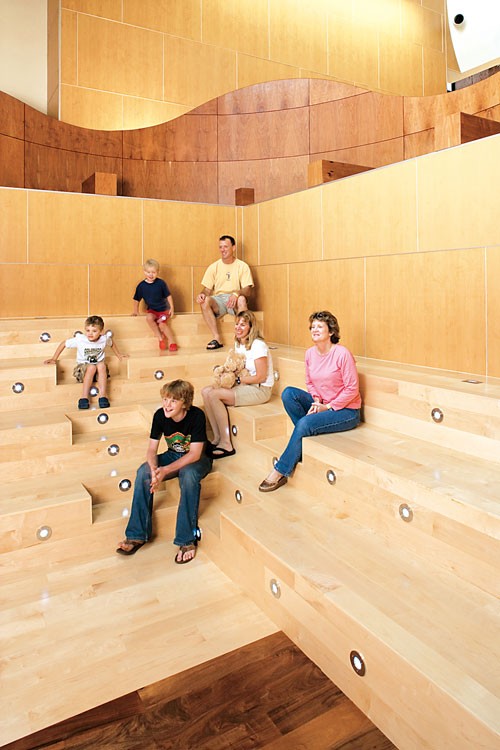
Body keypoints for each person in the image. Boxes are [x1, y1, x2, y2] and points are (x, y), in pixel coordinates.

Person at [258, 311, 361, 492]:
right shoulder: (309, 354)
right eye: (312, 326)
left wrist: (327, 407)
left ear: (331, 331)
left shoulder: (342, 354)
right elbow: (310, 382)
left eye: (319, 326)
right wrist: (316, 400)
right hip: (322, 403)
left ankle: (280, 470)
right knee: (288, 394)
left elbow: (352, 389)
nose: (314, 329)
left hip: (346, 410)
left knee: (305, 423)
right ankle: (302, 441)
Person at [116, 379, 212, 564]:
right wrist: (154, 470)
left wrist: (165, 470)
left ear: (185, 403)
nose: (167, 405)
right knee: (143, 472)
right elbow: (152, 450)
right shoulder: (160, 415)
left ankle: (186, 539)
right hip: (172, 455)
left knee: (188, 475)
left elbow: (194, 454)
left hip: (198, 460)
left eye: (173, 401)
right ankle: (137, 535)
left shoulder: (196, 416)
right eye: (165, 399)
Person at [202, 311, 274, 458]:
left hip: (260, 389)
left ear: (251, 327)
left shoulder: (258, 345)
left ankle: (226, 444)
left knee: (214, 395)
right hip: (245, 384)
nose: (238, 328)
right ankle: (217, 438)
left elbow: (260, 377)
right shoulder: (238, 343)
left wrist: (238, 381)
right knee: (205, 391)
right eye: (237, 324)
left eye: (243, 325)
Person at [43, 315, 128, 409]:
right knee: (91, 367)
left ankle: (103, 395)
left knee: (101, 365)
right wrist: (54, 358)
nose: (90, 333)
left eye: (94, 331)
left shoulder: (104, 339)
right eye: (88, 330)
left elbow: (111, 343)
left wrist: (119, 355)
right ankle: (84, 397)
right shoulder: (80, 339)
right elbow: (64, 343)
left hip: (98, 373)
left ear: (101, 331)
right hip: (83, 370)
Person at [196, 235, 253, 350]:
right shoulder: (214, 267)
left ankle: (242, 339)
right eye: (220, 247)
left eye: (226, 247)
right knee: (205, 301)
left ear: (233, 248)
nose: (222, 250)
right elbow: (206, 290)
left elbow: (248, 290)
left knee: (242, 299)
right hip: (219, 301)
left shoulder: (242, 266)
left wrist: (236, 293)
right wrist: (202, 295)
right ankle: (217, 338)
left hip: (235, 299)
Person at [133, 259, 178, 351]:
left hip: (164, 310)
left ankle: (172, 341)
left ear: (158, 272)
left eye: (153, 272)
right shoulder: (141, 286)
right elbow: (136, 299)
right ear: (144, 272)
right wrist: (135, 311)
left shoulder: (161, 283)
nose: (151, 275)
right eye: (148, 272)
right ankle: (160, 338)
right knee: (149, 318)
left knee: (162, 325)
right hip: (152, 310)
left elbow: (168, 296)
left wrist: (172, 308)